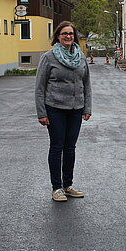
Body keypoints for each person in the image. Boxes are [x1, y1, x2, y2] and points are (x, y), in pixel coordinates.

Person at [35, 21, 92, 202]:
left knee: (70, 148)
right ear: (57, 37)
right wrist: (41, 113)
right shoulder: (49, 57)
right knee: (57, 147)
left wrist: (87, 107)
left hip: (76, 109)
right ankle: (56, 188)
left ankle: (68, 185)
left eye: (71, 33)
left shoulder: (80, 57)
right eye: (64, 33)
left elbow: (87, 84)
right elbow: (40, 87)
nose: (68, 36)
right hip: (55, 109)